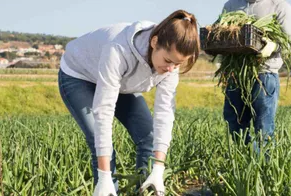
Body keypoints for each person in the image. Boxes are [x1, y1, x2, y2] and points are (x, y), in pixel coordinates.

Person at [57, 10, 200, 196]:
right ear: (154, 42)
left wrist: (158, 169)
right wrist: (105, 176)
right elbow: (104, 110)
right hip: (79, 76)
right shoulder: (118, 49)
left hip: (122, 83)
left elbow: (165, 113)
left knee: (148, 136)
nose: (170, 69)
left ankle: (145, 190)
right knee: (98, 140)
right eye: (167, 61)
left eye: (177, 64)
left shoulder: (170, 66)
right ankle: (106, 189)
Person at [219, 0, 291, 146]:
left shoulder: (280, 7)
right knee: (234, 122)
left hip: (264, 74)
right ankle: (242, 159)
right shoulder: (231, 5)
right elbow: (221, 32)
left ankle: (264, 164)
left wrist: (273, 47)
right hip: (236, 74)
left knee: (263, 124)